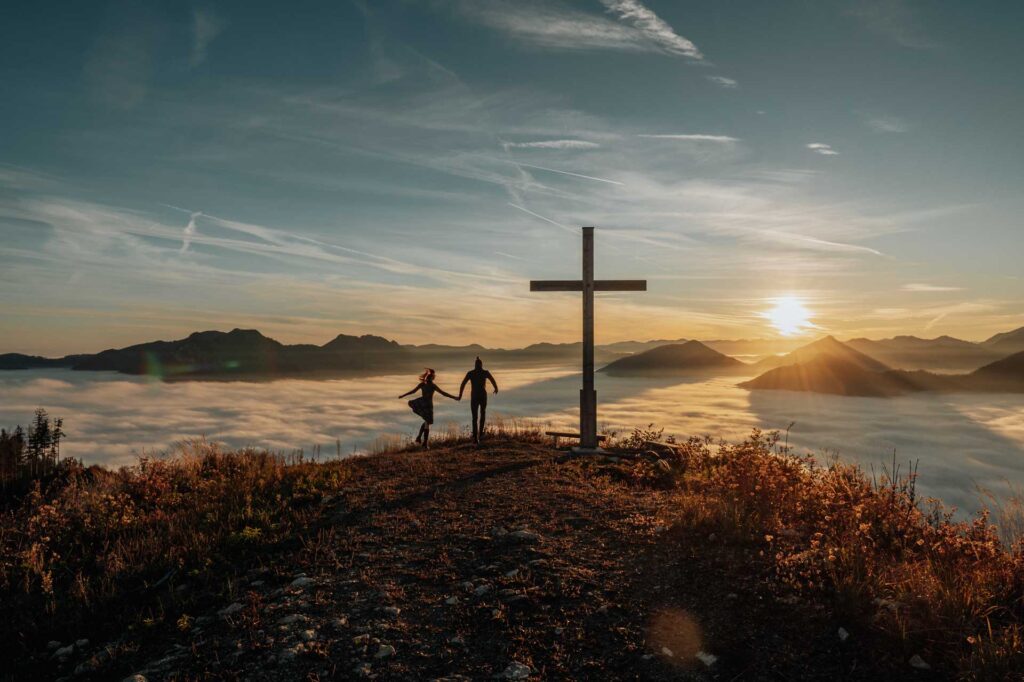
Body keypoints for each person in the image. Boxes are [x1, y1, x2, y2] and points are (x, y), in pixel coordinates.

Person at [399, 368, 459, 449]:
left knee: (427, 421)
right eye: (434, 376)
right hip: (428, 405)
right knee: (427, 422)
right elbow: (443, 393)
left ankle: (419, 438)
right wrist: (454, 397)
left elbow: (412, 391)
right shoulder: (432, 385)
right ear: (432, 377)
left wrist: (403, 395)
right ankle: (425, 443)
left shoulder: (422, 384)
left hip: (423, 403)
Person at [458, 357, 498, 444]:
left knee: (476, 417)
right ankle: (478, 436)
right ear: (480, 364)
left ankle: (477, 436)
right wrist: (496, 388)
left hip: (476, 396)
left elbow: (463, 384)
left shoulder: (472, 373)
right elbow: (493, 381)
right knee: (479, 415)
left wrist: (460, 395)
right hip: (481, 396)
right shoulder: (483, 373)